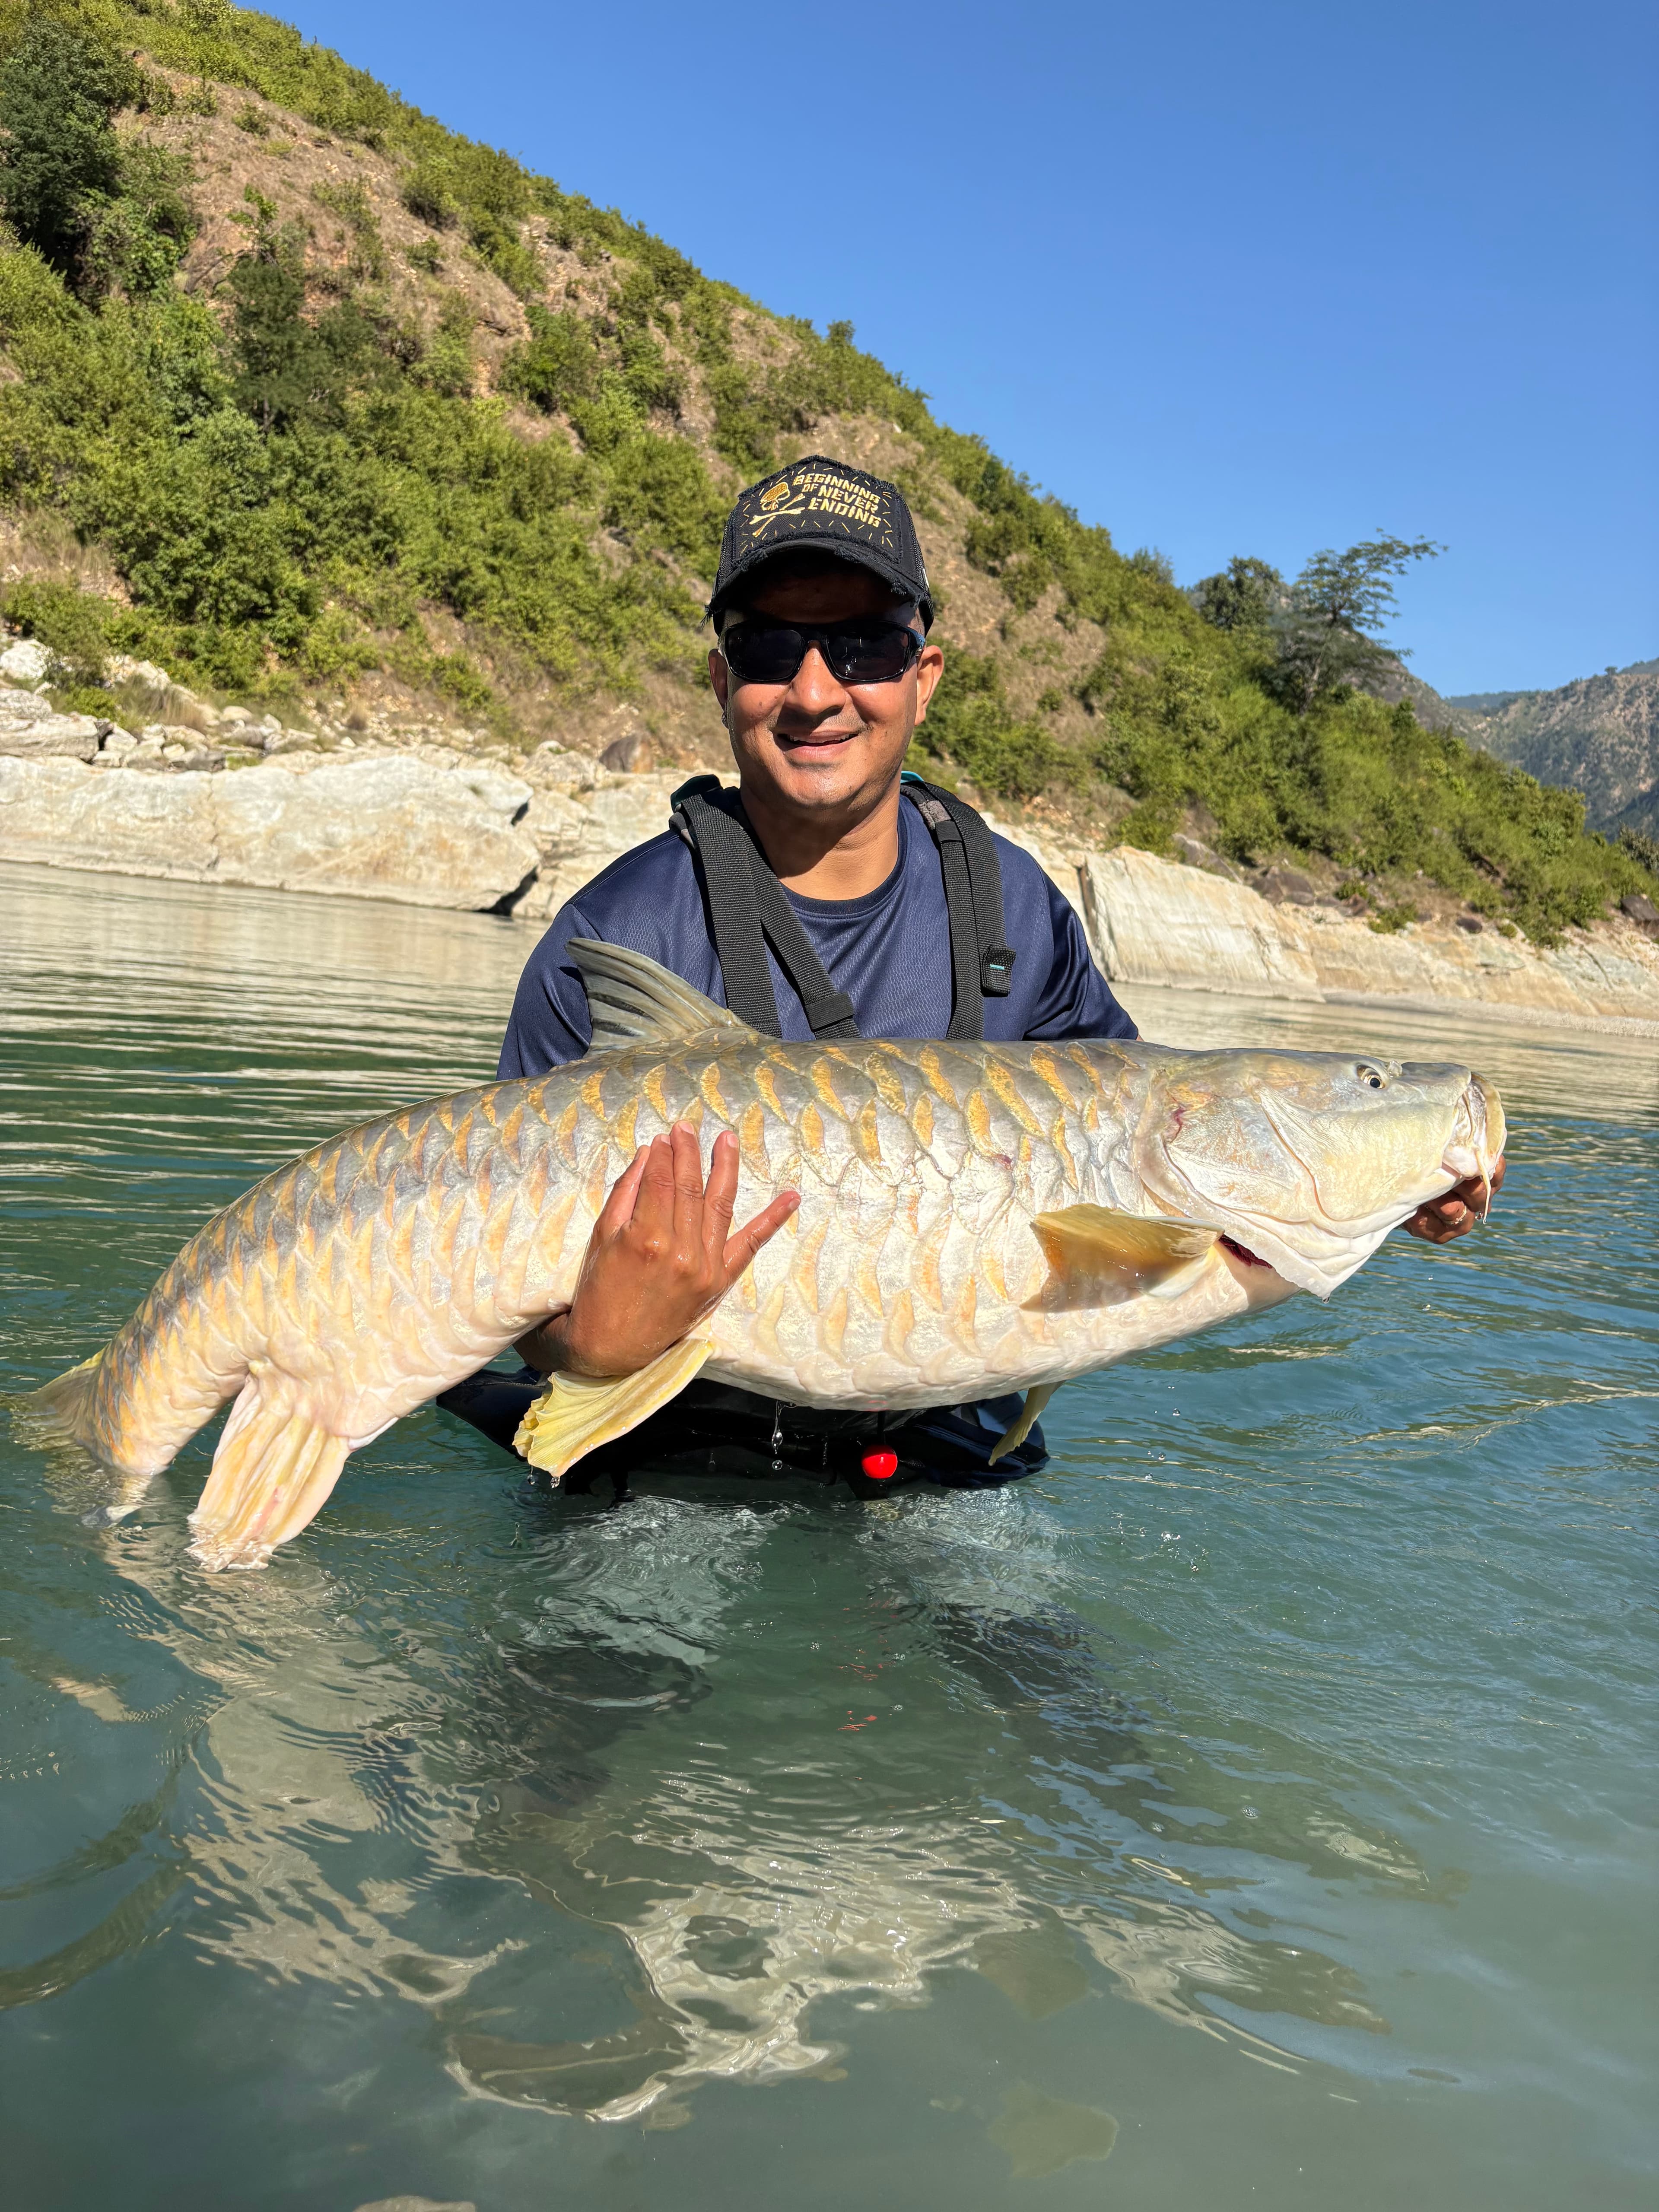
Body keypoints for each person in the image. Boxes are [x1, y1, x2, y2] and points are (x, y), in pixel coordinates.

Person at [442, 456, 1502, 1493]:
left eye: (864, 645)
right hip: (672, 1458)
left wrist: (1400, 1179)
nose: (817, 691)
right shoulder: (616, 936)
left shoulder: (1018, 911)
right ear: (723, 680)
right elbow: (505, 1288)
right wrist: (585, 1348)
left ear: (923, 676)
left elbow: (1142, 1163)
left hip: (942, 1469)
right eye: (770, 645)